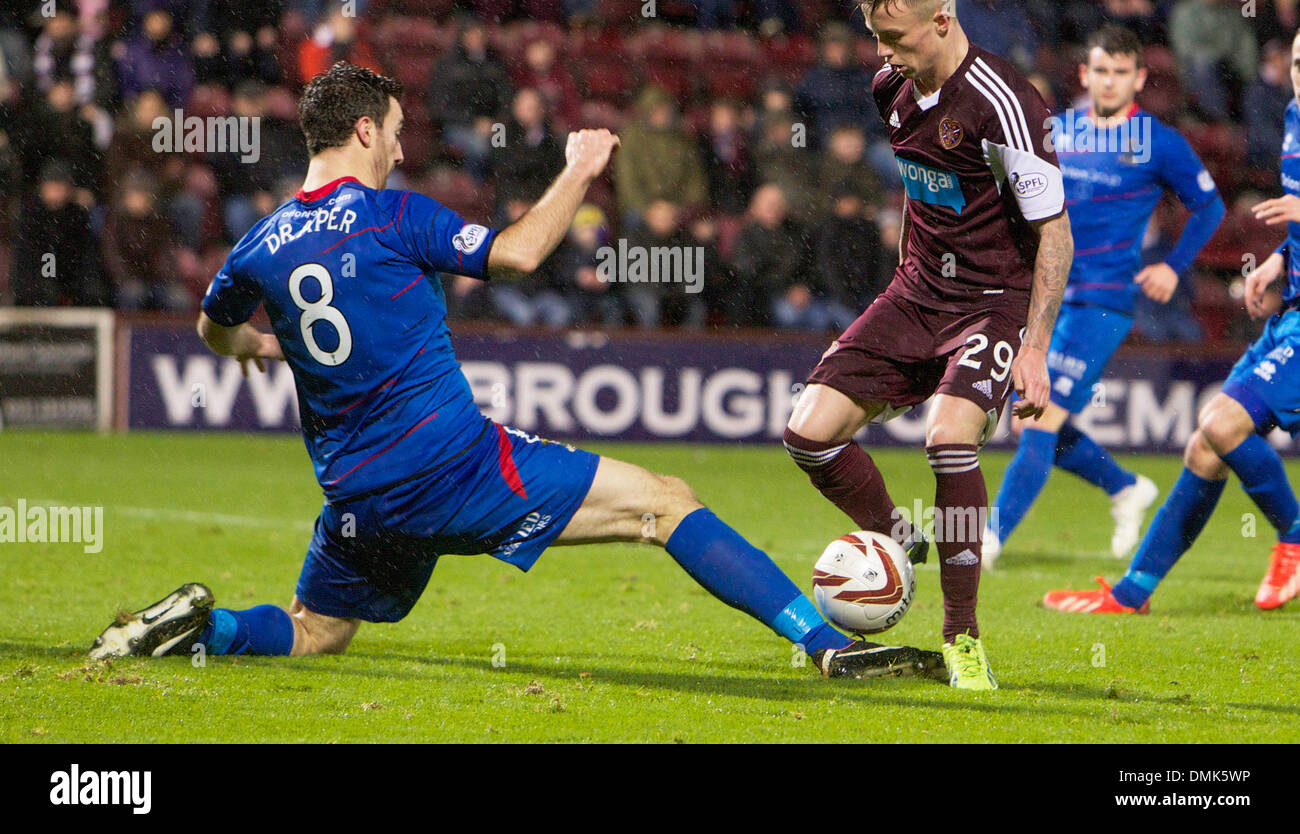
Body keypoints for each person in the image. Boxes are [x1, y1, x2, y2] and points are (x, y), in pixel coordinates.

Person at [89, 62, 943, 682]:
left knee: (320, 630)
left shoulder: (258, 243)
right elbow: (525, 253)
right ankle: (829, 646)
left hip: (358, 492)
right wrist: (578, 169)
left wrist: (259, 350)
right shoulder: (391, 216)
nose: (397, 147)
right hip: (452, 468)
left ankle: (207, 630)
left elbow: (213, 327)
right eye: (391, 133)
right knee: (666, 502)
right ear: (361, 133)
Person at [782, 0, 1074, 690]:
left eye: (896, 38)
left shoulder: (1005, 104)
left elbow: (1053, 232)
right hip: (915, 292)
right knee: (807, 434)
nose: (883, 53)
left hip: (991, 303)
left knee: (949, 441)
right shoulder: (891, 88)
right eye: (877, 37)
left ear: (943, 19)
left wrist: (1035, 349)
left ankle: (962, 636)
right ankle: (899, 541)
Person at [1043, 28, 1300, 615]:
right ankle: (1133, 593)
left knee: (1222, 421)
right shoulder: (1292, 117)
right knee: (1203, 449)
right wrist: (1277, 260)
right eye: (1298, 61)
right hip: (1290, 312)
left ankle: (1294, 535)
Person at [984, 25, 1225, 567]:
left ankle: (988, 540)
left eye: (1121, 73)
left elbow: (1210, 208)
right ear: (1084, 75)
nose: (1110, 82)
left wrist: (1172, 266)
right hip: (1044, 294)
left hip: (1103, 301)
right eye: (1101, 71)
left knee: (1039, 418)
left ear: (1139, 78)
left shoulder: (1159, 142)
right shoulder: (1058, 131)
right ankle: (1124, 487)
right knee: (1034, 419)